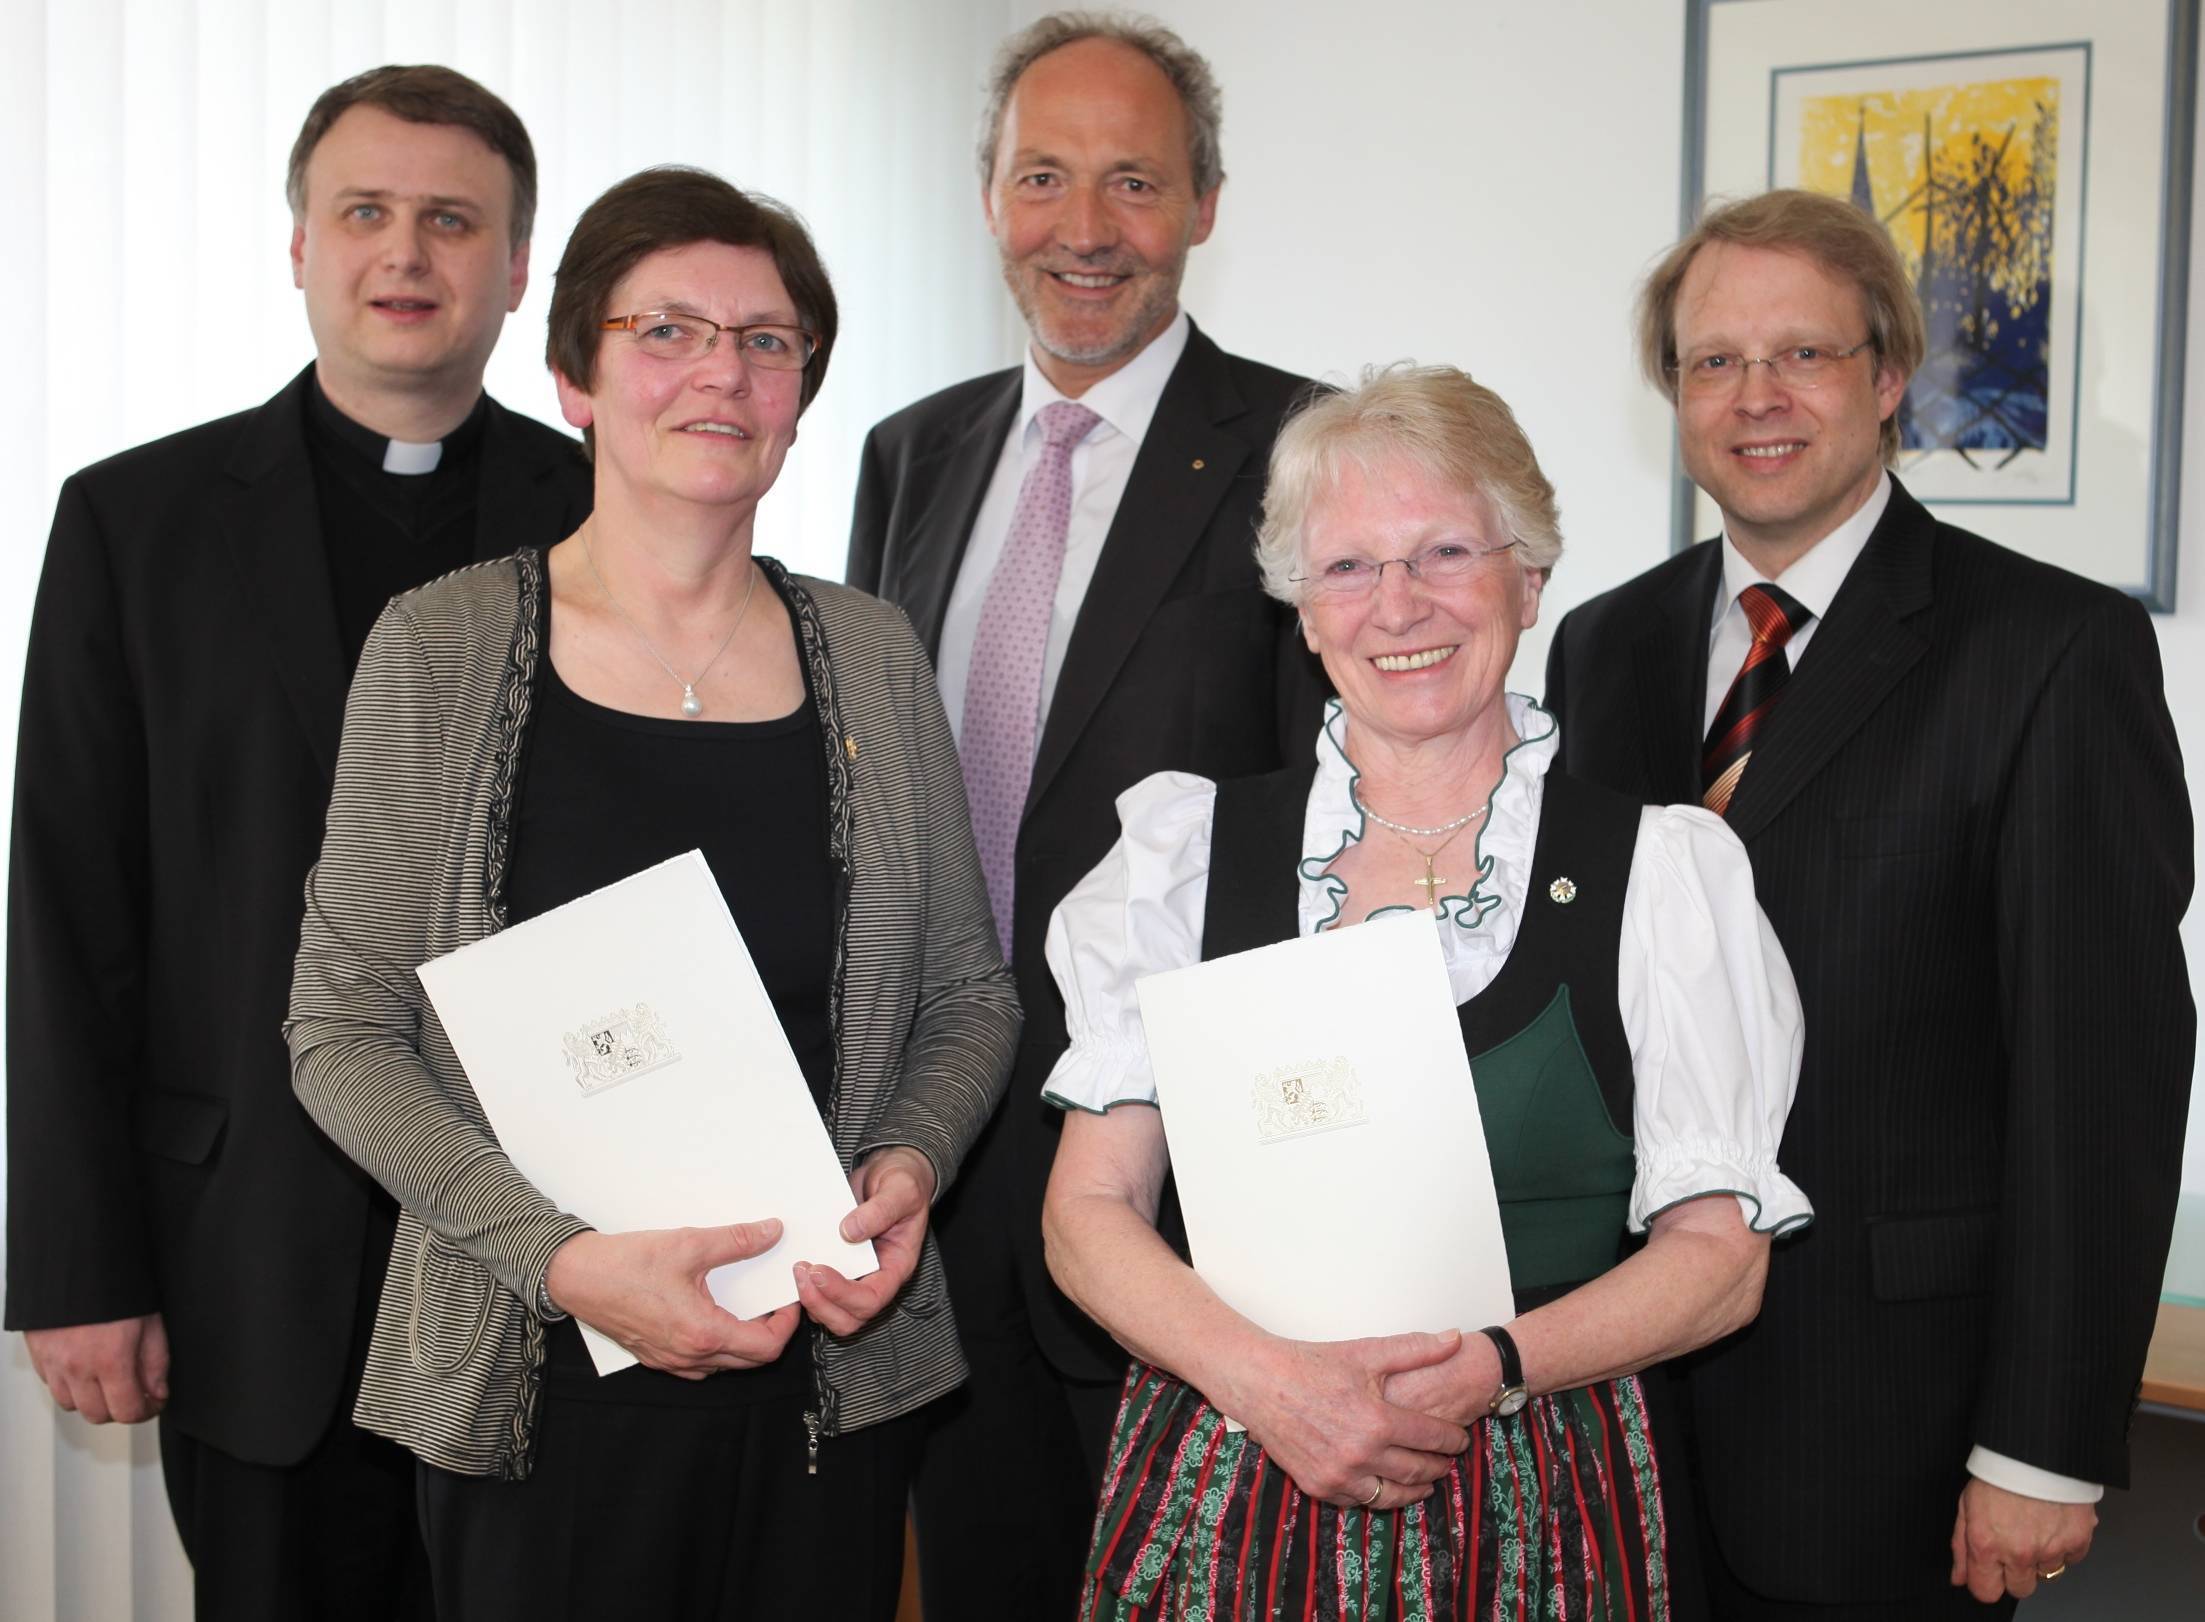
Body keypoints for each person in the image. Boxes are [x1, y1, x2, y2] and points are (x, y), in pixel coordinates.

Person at [284, 164, 1019, 1622]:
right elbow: (339, 1030)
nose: (721, 373)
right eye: (668, 330)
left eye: (765, 341)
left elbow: (966, 994)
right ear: (575, 373)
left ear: (799, 395)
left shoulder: (873, 654)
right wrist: (563, 1262)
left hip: (824, 1363)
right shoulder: (438, 645)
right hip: (527, 1370)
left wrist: (917, 1165)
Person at [1041, 364, 1810, 1620]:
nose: (1398, 602)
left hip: (1537, 1479)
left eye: (1448, 549)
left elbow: (1719, 1261)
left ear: (1529, 576)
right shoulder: (1185, 856)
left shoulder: (1662, 872)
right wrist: (1270, 1381)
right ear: (1299, 607)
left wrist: (1494, 1366)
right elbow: (1088, 1210)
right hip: (1232, 1463)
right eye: (1347, 565)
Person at [1545, 187, 2195, 1617]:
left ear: (1889, 375)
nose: (1754, 398)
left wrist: (2042, 1443)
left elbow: (2104, 1078)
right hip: (1615, 1407)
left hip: (1891, 1421)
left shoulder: (2047, 651)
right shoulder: (1602, 646)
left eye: (1804, 355)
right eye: (1713, 360)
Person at [5, 64, 587, 1620]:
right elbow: (67, 910)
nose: (406, 253)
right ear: (299, 245)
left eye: (452, 220)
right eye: (366, 213)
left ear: (516, 266)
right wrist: (79, 1268)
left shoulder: (606, 514)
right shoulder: (133, 523)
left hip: (546, 1257)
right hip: (244, 1258)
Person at [845, 13, 1327, 1609]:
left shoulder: (1305, 459)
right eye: (1042, 175)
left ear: (1205, 203)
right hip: (931, 1155)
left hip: (1177, 1188)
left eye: (1135, 182)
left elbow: (1328, 833)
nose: (1085, 228)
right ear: (986, 194)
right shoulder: (908, 453)